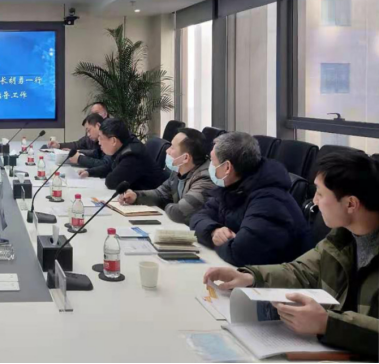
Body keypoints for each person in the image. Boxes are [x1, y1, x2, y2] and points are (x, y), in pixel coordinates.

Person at [204, 151, 378, 358]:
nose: (314, 202)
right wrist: (251, 277)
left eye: (320, 194)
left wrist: (328, 324)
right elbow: (301, 271)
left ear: (351, 204)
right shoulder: (341, 238)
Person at [190, 132, 312, 266]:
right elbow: (197, 217)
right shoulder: (231, 187)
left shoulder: (269, 200)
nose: (210, 166)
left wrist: (221, 242)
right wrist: (214, 231)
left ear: (227, 167)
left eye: (213, 161)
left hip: (276, 276)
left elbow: (240, 252)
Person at [119, 128, 214, 224]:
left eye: (172, 147)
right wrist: (136, 196)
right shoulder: (179, 170)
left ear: (185, 158)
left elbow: (179, 212)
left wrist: (165, 204)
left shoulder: (205, 178)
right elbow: (160, 194)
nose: (167, 150)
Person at [78, 118, 163, 191]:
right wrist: (89, 172)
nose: (99, 142)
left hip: (149, 201)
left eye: (101, 137)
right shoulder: (125, 143)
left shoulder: (132, 155)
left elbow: (112, 182)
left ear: (113, 141)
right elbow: (110, 166)